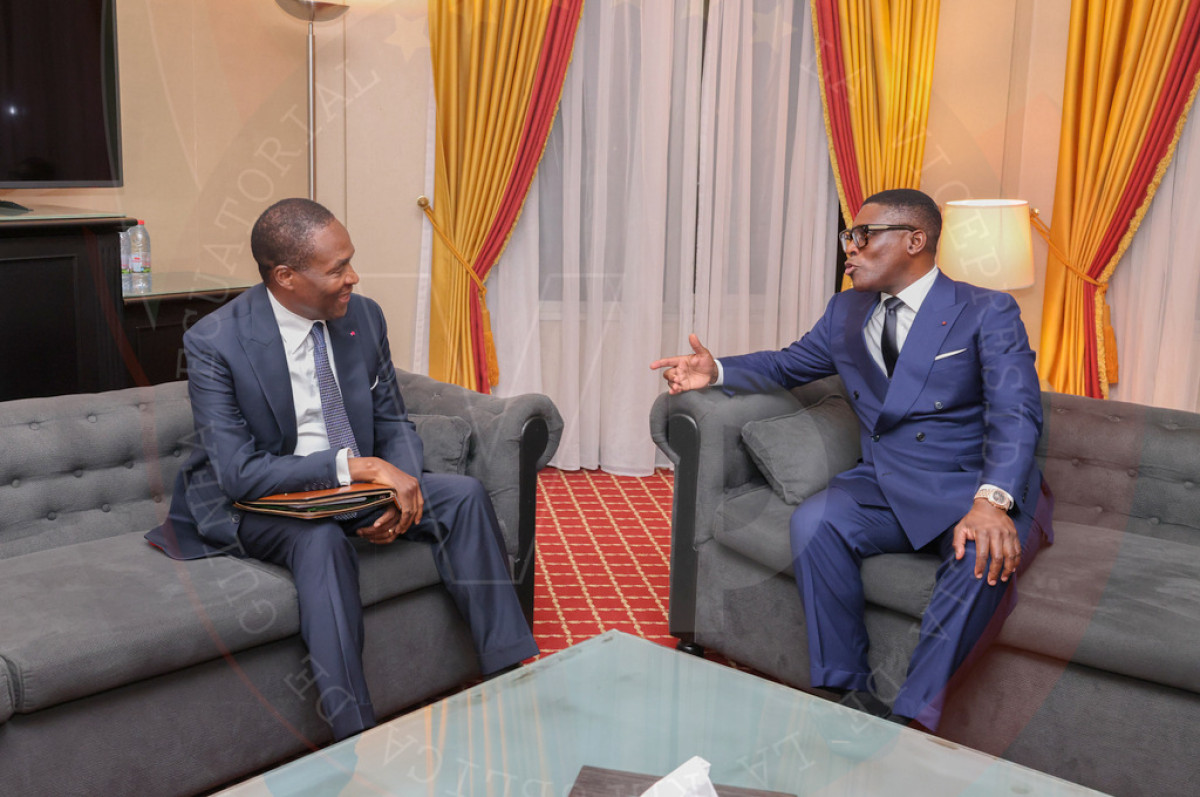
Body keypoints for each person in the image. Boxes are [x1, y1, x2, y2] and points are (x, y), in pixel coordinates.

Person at [650, 188, 1053, 731]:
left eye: (864, 236)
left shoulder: (986, 310)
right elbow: (788, 364)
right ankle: (847, 691)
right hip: (886, 482)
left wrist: (993, 502)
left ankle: (911, 722)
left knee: (982, 555)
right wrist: (716, 370)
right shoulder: (846, 310)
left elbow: (1016, 411)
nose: (851, 249)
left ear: (915, 240)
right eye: (849, 237)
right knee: (816, 521)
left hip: (971, 484)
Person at [147, 198, 538, 741]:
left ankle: (511, 677)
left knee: (465, 496)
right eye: (338, 269)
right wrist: (359, 469)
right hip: (259, 499)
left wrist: (398, 490)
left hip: (356, 488)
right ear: (286, 277)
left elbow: (391, 418)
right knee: (320, 540)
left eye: (350, 261)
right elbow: (239, 473)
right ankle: (355, 734)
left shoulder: (363, 317)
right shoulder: (217, 341)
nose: (353, 277)